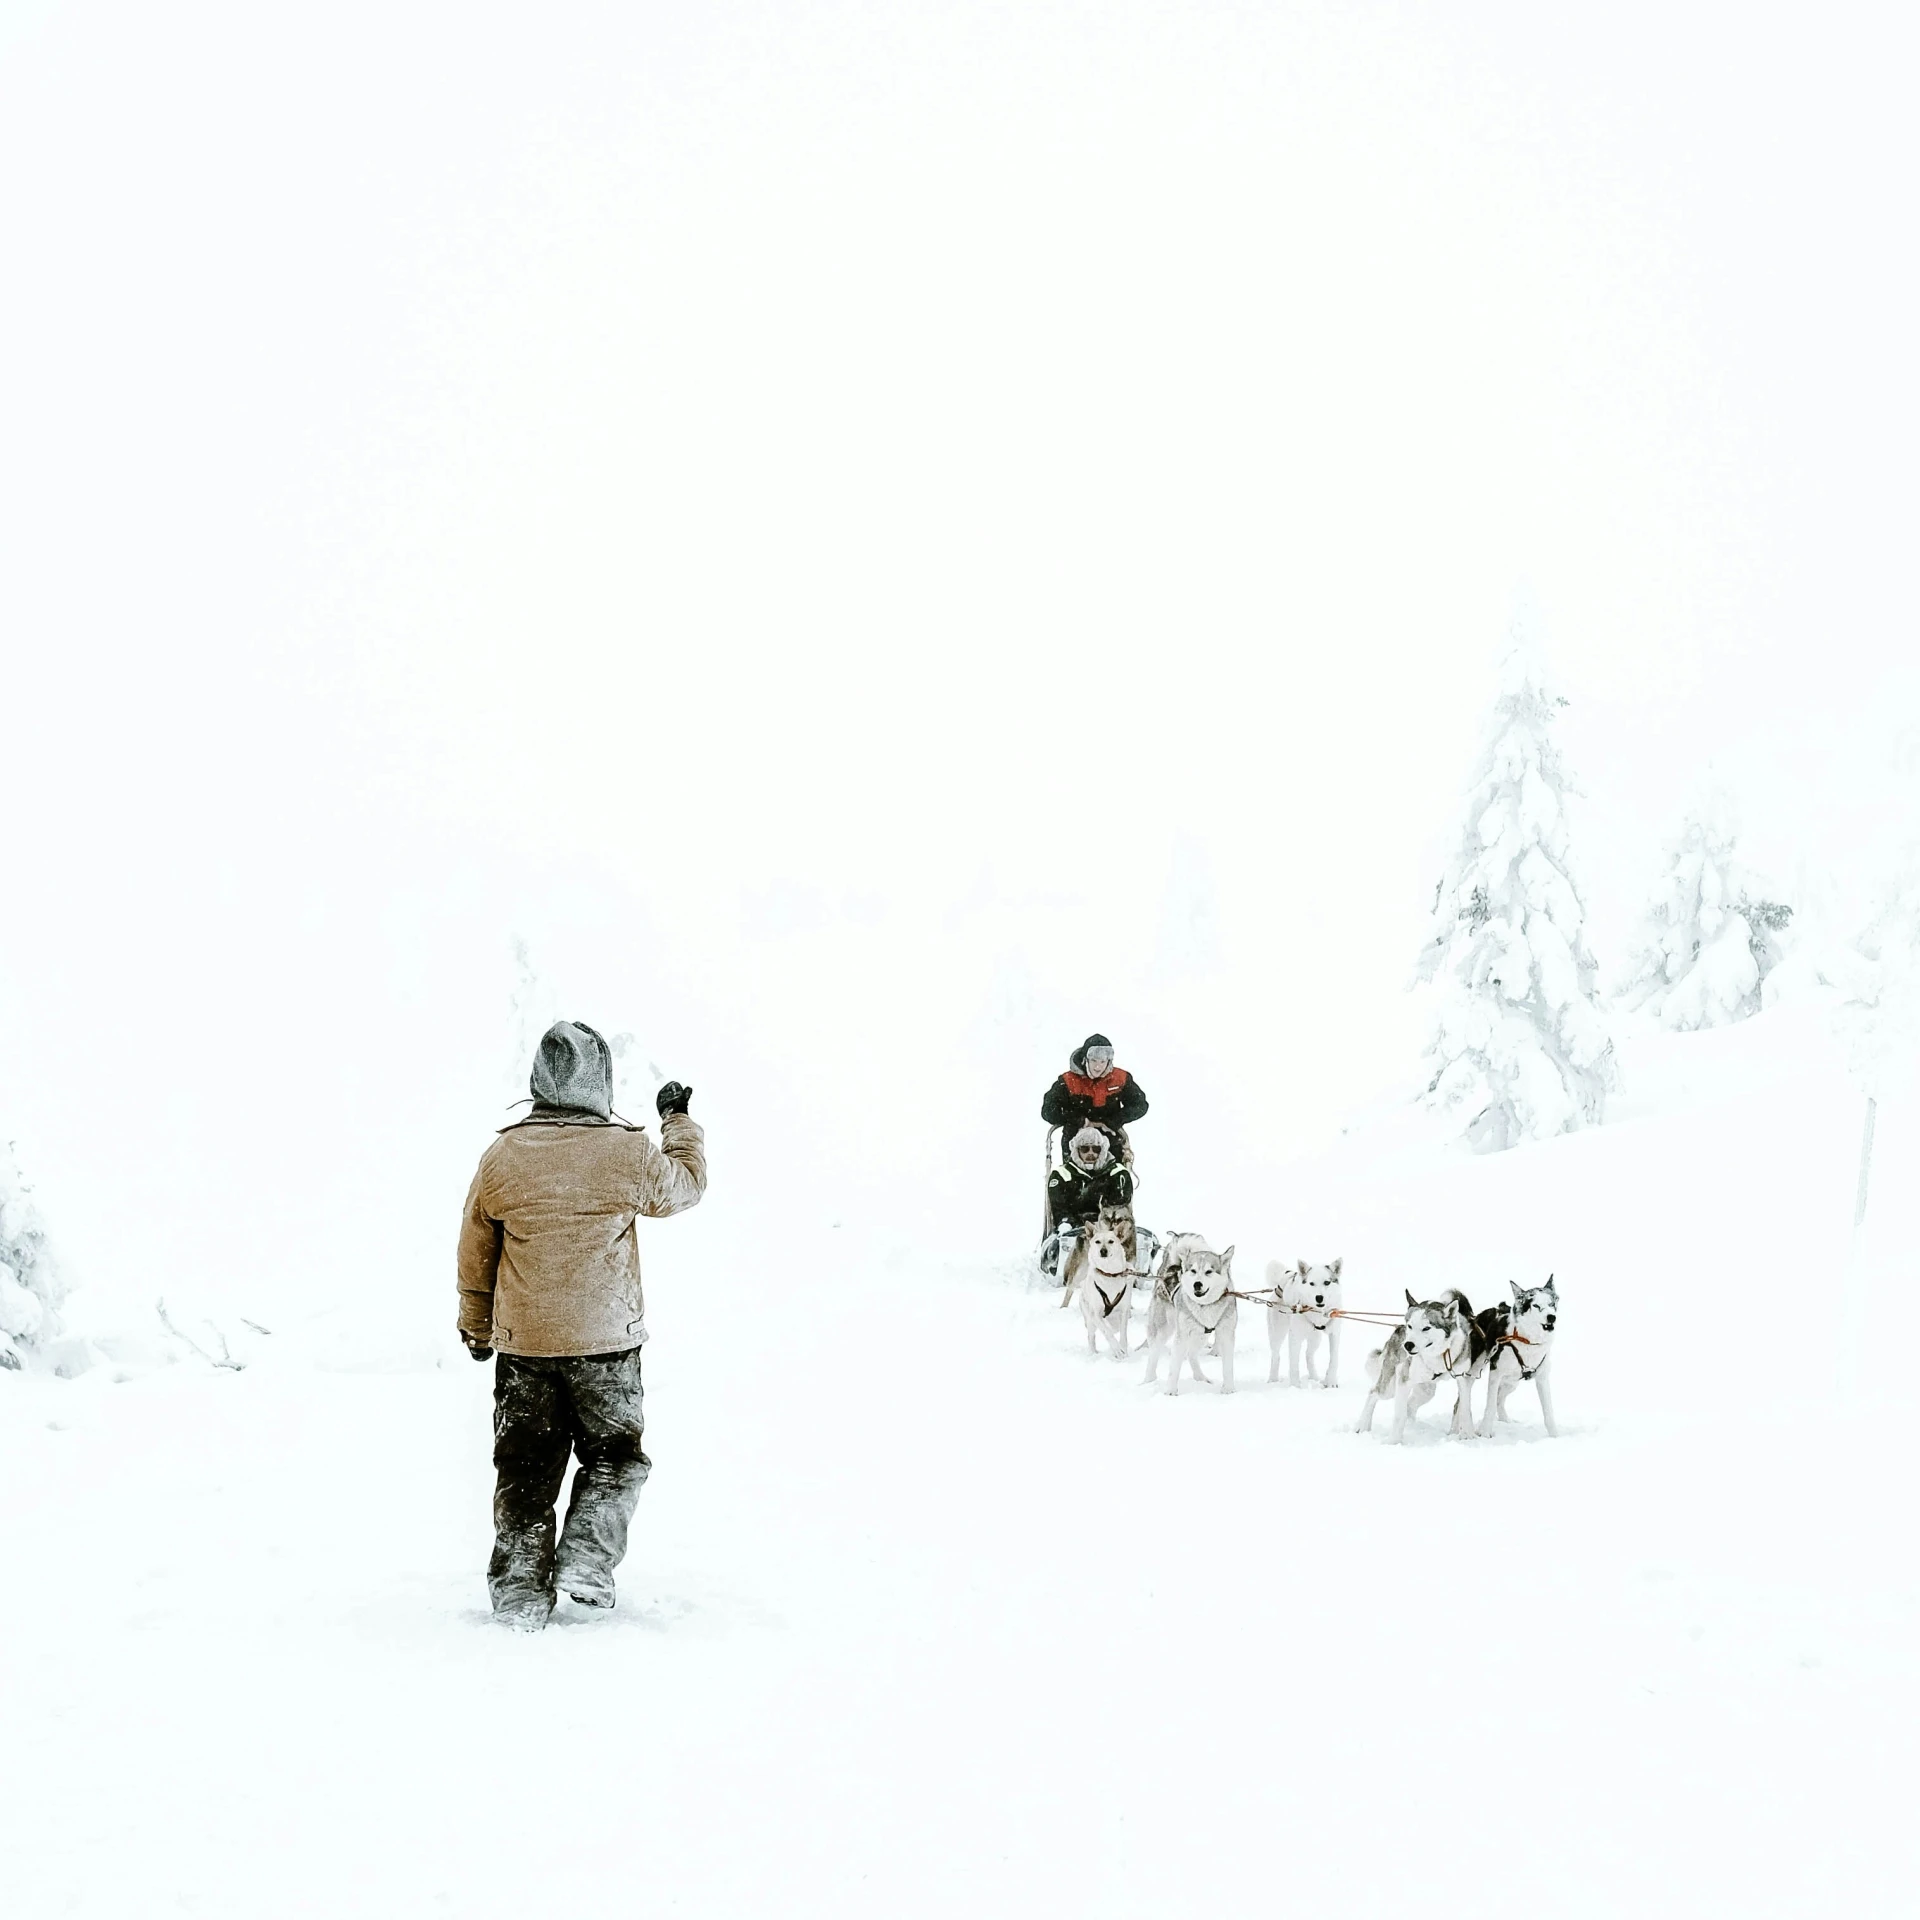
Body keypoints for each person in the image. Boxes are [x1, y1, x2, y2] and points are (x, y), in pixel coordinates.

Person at [456, 1019, 706, 1632]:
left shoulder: (503, 1157)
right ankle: (589, 1558)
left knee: (525, 1467)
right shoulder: (627, 1153)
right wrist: (676, 1121)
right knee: (615, 1457)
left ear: (539, 1080)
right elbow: (687, 1187)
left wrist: (476, 1325)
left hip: (525, 1345)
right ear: (602, 1082)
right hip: (607, 1345)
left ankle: (518, 1590)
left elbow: (475, 1249)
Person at [1040, 1033, 1148, 1142]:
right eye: (1094, 1061)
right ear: (1085, 1059)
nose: (1098, 1067)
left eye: (1102, 1062)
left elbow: (1140, 1105)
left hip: (1111, 1138)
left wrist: (1113, 1121)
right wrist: (1079, 1121)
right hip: (1075, 1140)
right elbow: (1048, 1110)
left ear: (1109, 1061)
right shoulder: (1068, 1081)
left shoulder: (1120, 1079)